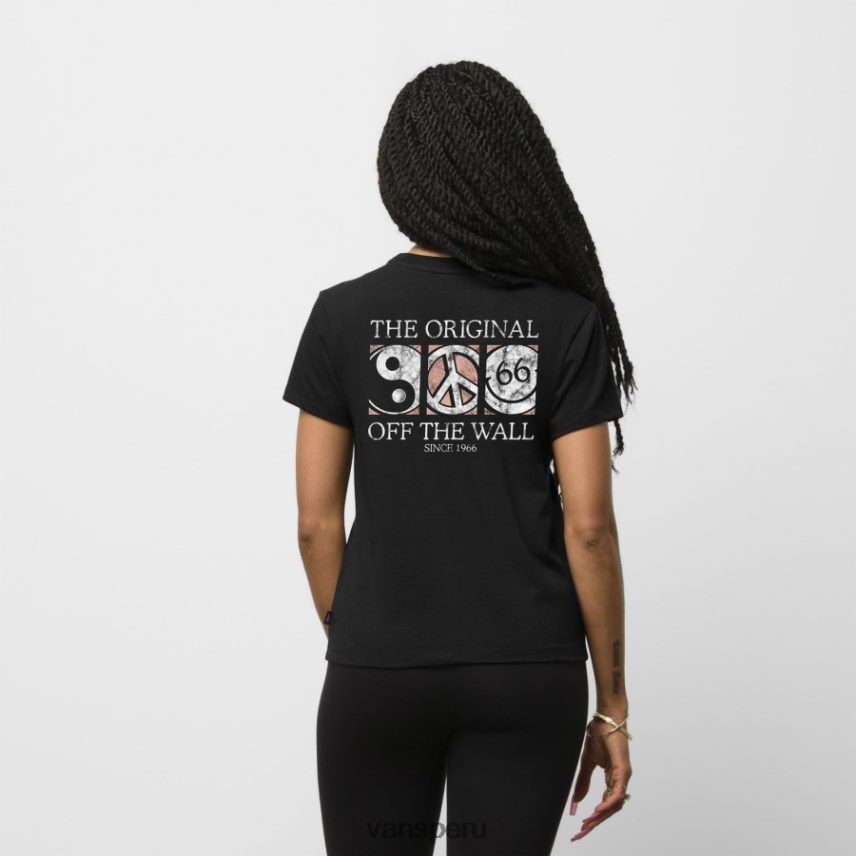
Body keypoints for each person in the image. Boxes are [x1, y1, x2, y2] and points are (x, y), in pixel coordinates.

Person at [282, 60, 636, 856]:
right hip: (527, 672)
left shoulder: (343, 316)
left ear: (400, 176)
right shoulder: (565, 321)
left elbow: (315, 525)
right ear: (514, 168)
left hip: (379, 672)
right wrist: (612, 705)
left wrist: (364, 639)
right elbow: (589, 528)